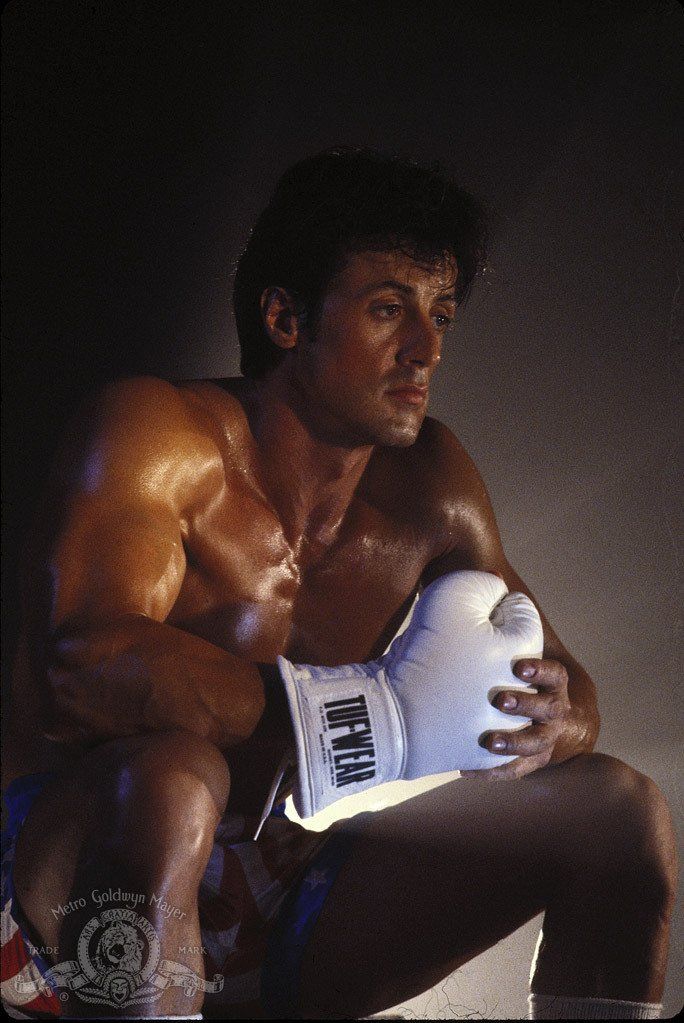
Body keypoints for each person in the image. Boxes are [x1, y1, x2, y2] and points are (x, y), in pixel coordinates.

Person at [1, 147, 676, 1021]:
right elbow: (74, 674)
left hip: (279, 891)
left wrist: (552, 720)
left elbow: (571, 691)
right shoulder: (157, 434)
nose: (427, 347)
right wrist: (373, 718)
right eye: (389, 308)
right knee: (170, 777)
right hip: (72, 901)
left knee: (620, 815)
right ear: (286, 317)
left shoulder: (430, 480)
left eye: (440, 313)